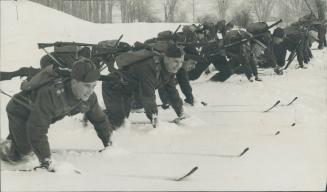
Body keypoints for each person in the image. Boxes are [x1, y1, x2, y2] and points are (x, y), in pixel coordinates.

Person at [0, 58, 113, 172]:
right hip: (20, 110)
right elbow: (37, 129)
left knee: (28, 139)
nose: (90, 91)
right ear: (74, 82)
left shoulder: (89, 98)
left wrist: (109, 144)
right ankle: (5, 148)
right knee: (23, 153)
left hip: (40, 115)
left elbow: (100, 120)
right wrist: (47, 161)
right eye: (87, 86)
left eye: (94, 86)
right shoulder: (52, 94)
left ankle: (16, 139)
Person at [102, 42, 187, 129]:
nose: (178, 65)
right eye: (175, 61)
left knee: (122, 117)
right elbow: (148, 95)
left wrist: (181, 113)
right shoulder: (150, 67)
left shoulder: (169, 70)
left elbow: (172, 92)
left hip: (128, 91)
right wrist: (154, 119)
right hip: (114, 87)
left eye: (181, 62)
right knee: (119, 124)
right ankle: (94, 115)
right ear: (166, 58)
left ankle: (108, 113)